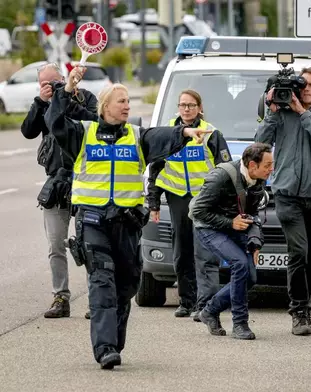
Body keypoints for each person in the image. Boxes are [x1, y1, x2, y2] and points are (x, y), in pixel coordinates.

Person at [44, 66, 213, 369]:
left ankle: (114, 341)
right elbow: (54, 120)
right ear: (105, 106)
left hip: (126, 224)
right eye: (121, 101)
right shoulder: (83, 134)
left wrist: (186, 132)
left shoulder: (136, 136)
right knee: (102, 280)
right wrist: (66, 90)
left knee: (127, 284)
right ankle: (106, 347)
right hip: (93, 221)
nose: (126, 106)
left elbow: (163, 136)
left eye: (127, 102)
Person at [255, 66, 311, 335]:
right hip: (287, 194)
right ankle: (299, 312)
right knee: (299, 252)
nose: (306, 89)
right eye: (302, 84)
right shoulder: (282, 113)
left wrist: (302, 113)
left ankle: (306, 309)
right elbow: (259, 144)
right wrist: (272, 111)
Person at [20, 62, 98, 319]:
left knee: (90, 244)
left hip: (86, 180)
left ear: (65, 78)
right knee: (56, 244)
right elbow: (28, 132)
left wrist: (68, 95)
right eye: (46, 84)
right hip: (56, 180)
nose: (51, 87)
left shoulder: (86, 98)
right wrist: (40, 103)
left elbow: (93, 122)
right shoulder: (43, 104)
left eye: (55, 82)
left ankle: (95, 299)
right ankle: (60, 298)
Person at [147, 89, 232, 319]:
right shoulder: (167, 133)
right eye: (183, 105)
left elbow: (226, 170)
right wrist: (153, 203)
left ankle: (207, 303)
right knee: (181, 250)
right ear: (178, 107)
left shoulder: (211, 133)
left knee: (205, 251)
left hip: (204, 200)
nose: (186, 109)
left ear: (199, 108)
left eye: (191, 105)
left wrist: (224, 200)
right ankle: (186, 301)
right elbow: (155, 170)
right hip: (177, 198)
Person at [191, 143, 273, 340]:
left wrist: (255, 242)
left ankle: (209, 311)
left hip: (234, 226)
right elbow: (198, 211)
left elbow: (252, 215)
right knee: (239, 264)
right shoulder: (221, 176)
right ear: (252, 165)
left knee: (250, 277)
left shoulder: (258, 180)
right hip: (209, 227)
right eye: (268, 165)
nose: (272, 169)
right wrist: (230, 222)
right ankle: (240, 324)